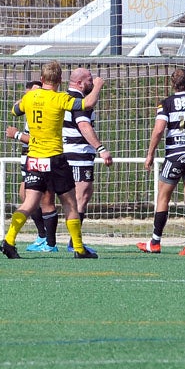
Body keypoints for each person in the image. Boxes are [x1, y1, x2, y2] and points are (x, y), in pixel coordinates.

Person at [0, 61, 103, 259]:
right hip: (54, 158)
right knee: (70, 203)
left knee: (29, 203)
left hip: (33, 158)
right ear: (60, 80)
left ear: (41, 79)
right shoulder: (60, 98)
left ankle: (9, 240)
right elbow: (87, 103)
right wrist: (97, 85)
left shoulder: (30, 97)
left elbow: (15, 110)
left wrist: (30, 95)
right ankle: (79, 248)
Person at [138, 68, 185, 256]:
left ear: (172, 84)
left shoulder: (167, 104)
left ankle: (155, 242)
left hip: (175, 156)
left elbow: (158, 131)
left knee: (163, 197)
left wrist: (150, 154)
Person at [59, 67, 113, 252]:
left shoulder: (67, 97)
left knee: (81, 195)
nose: (94, 81)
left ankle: (61, 241)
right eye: (90, 79)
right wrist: (101, 148)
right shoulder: (78, 100)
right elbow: (84, 125)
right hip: (77, 153)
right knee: (79, 198)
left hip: (73, 153)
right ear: (80, 83)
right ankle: (74, 243)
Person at [5, 80, 58, 253]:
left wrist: (17, 134)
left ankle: (50, 242)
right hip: (29, 157)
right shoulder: (30, 108)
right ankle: (42, 236)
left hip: (44, 156)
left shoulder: (48, 107)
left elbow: (40, 138)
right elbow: (15, 109)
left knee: (46, 198)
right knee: (25, 195)